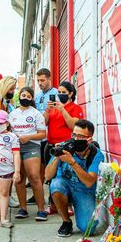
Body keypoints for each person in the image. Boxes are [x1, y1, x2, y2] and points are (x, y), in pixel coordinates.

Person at [45, 120, 103, 237]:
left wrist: (72, 162)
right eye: (74, 135)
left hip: (84, 190)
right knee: (56, 185)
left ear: (89, 139)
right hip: (64, 185)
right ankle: (66, 221)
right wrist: (57, 157)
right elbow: (47, 176)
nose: (75, 139)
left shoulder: (96, 154)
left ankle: (78, 207)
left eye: (80, 136)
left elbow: (89, 182)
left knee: (88, 228)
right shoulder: (65, 146)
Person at [44, 81, 85, 215]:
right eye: (59, 92)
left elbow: (73, 126)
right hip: (52, 146)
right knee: (51, 177)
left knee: (66, 175)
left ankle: (68, 204)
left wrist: (63, 110)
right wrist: (47, 110)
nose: (61, 94)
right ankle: (53, 204)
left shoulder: (75, 108)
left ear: (71, 94)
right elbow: (43, 123)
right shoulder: (54, 108)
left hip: (67, 147)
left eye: (64, 92)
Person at [10, 87, 49, 221]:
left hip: (31, 146)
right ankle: (23, 209)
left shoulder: (36, 114)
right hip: (15, 147)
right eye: (23, 95)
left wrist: (28, 137)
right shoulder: (12, 114)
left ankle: (41, 210)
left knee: (34, 176)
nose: (25, 98)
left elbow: (42, 134)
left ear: (32, 98)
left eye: (28, 96)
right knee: (19, 178)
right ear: (19, 96)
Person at [33, 68, 58, 188]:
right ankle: (39, 189)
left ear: (49, 79)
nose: (40, 83)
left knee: (50, 164)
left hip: (51, 134)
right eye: (38, 80)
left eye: (42, 80)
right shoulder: (37, 96)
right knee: (39, 164)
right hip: (39, 135)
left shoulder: (56, 94)